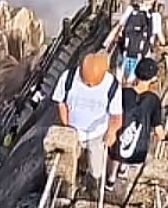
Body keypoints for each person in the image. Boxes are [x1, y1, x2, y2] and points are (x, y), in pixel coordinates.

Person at [52, 50, 122, 190]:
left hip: (97, 134)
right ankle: (76, 181)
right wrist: (66, 126)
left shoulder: (112, 86)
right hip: (73, 131)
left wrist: (112, 132)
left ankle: (92, 185)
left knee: (96, 170)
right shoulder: (68, 77)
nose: (89, 85)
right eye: (86, 81)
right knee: (70, 166)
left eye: (93, 83)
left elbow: (116, 116)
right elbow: (61, 102)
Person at [109, 56, 165, 184]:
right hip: (138, 153)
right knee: (132, 143)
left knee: (117, 150)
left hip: (117, 145)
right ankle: (123, 169)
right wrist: (164, 138)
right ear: (153, 79)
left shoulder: (123, 93)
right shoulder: (154, 100)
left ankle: (111, 178)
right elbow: (158, 130)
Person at [117, 0, 164, 85]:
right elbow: (161, 39)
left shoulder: (130, 9)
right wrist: (165, 43)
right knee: (137, 80)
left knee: (120, 80)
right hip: (142, 56)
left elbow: (120, 26)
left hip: (125, 52)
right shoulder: (155, 16)